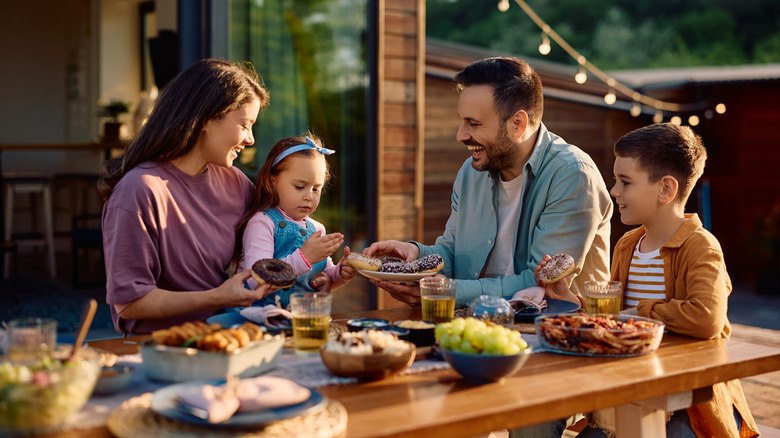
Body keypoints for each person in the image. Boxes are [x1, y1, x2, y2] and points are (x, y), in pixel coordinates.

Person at [539, 123, 758, 437]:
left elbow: (706, 318)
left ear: (666, 189)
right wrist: (570, 299)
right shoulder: (627, 245)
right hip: (632, 388)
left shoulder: (700, 246)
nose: (614, 190)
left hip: (691, 398)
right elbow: (615, 317)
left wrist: (640, 316)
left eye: (625, 181)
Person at [99, 59, 329, 335]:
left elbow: (274, 250)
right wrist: (218, 297)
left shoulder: (236, 184)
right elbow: (131, 304)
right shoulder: (139, 191)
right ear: (206, 119)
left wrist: (318, 276)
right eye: (245, 125)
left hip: (234, 333)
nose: (251, 139)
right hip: (162, 346)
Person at [366, 56, 613, 308]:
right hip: (481, 330)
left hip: (561, 336)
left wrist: (447, 292)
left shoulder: (572, 175)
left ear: (518, 124)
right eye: (461, 121)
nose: (460, 135)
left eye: (473, 123)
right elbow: (452, 253)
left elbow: (543, 284)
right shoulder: (470, 172)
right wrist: (417, 255)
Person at [234, 133, 357, 309]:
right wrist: (305, 257)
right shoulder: (262, 223)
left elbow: (321, 278)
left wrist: (339, 274)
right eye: (299, 187)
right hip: (258, 319)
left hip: (298, 322)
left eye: (316, 188)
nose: (309, 196)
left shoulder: (317, 228)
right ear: (271, 182)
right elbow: (256, 281)